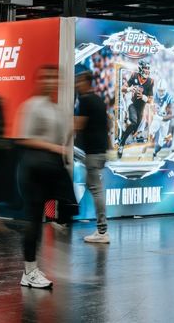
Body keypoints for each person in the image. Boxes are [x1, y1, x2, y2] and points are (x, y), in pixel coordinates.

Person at [18, 65, 76, 289]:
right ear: (39, 80)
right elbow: (25, 139)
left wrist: (67, 139)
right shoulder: (32, 106)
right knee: (34, 219)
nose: (51, 81)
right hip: (33, 169)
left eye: (54, 78)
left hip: (51, 168)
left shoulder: (57, 110)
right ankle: (29, 271)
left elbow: (61, 141)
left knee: (64, 209)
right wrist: (54, 148)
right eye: (46, 77)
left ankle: (34, 267)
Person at [75, 70, 110, 243]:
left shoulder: (86, 100)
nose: (77, 84)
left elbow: (79, 125)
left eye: (79, 81)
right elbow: (107, 126)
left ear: (87, 82)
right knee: (91, 184)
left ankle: (102, 231)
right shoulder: (98, 100)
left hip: (94, 153)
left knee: (96, 190)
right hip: (99, 152)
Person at [117, 59, 154, 159]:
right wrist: (130, 89)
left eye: (148, 68)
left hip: (141, 108)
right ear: (140, 68)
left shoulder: (150, 81)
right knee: (133, 122)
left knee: (135, 129)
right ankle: (121, 144)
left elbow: (150, 100)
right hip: (132, 103)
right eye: (145, 68)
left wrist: (143, 97)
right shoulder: (134, 75)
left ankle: (124, 136)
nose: (147, 70)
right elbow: (123, 88)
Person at [149, 79, 174, 160]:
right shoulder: (155, 95)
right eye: (159, 90)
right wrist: (153, 110)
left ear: (165, 90)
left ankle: (155, 153)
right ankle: (145, 147)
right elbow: (152, 107)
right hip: (158, 117)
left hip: (165, 122)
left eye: (162, 90)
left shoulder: (169, 98)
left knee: (161, 142)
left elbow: (170, 116)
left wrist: (160, 118)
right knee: (151, 131)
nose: (161, 92)